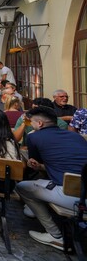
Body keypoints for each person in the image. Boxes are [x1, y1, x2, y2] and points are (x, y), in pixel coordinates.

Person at [16, 107, 87, 251]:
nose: (31, 125)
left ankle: (55, 236)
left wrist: (37, 164)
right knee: (43, 184)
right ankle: (33, 208)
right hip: (80, 188)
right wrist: (42, 167)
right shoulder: (76, 136)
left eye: (32, 122)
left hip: (73, 197)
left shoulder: (34, 137)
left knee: (22, 187)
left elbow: (34, 160)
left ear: (40, 124)